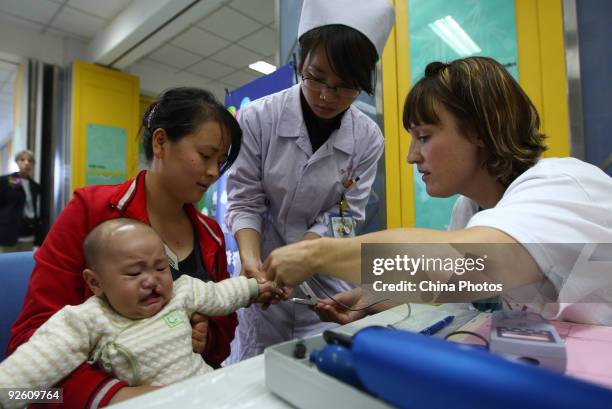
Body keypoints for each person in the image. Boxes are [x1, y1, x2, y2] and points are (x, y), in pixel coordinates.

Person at [264, 56, 612, 326]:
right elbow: (453, 287)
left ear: (479, 130)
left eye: (424, 137)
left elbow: (468, 263)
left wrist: (316, 255)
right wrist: (371, 298)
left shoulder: (563, 186)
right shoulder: (470, 209)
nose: (411, 156)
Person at [6, 87, 250, 407]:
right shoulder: (90, 212)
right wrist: (114, 395)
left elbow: (224, 325)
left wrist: (204, 337)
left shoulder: (211, 235)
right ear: (160, 142)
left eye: (220, 162)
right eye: (206, 156)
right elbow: (31, 342)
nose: (213, 172)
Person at [224, 0, 395, 361]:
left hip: (326, 284)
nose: (326, 95)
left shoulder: (367, 139)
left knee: (326, 368)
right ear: (301, 61)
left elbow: (346, 214)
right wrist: (254, 263)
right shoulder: (258, 118)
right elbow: (245, 201)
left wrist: (304, 255)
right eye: (316, 77)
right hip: (264, 281)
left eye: (345, 86)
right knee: (258, 374)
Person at [0, 219, 281, 408]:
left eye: (160, 268)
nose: (151, 280)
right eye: (134, 272)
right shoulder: (86, 320)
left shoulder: (181, 293)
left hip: (205, 393)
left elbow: (222, 294)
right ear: (95, 283)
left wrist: (257, 288)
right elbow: (30, 369)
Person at [0, 149, 41, 252]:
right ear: (17, 162)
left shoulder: (34, 185)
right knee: (7, 264)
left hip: (28, 233)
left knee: (24, 264)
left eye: (30, 160)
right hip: (9, 232)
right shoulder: (9, 180)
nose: (26, 163)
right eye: (22, 160)